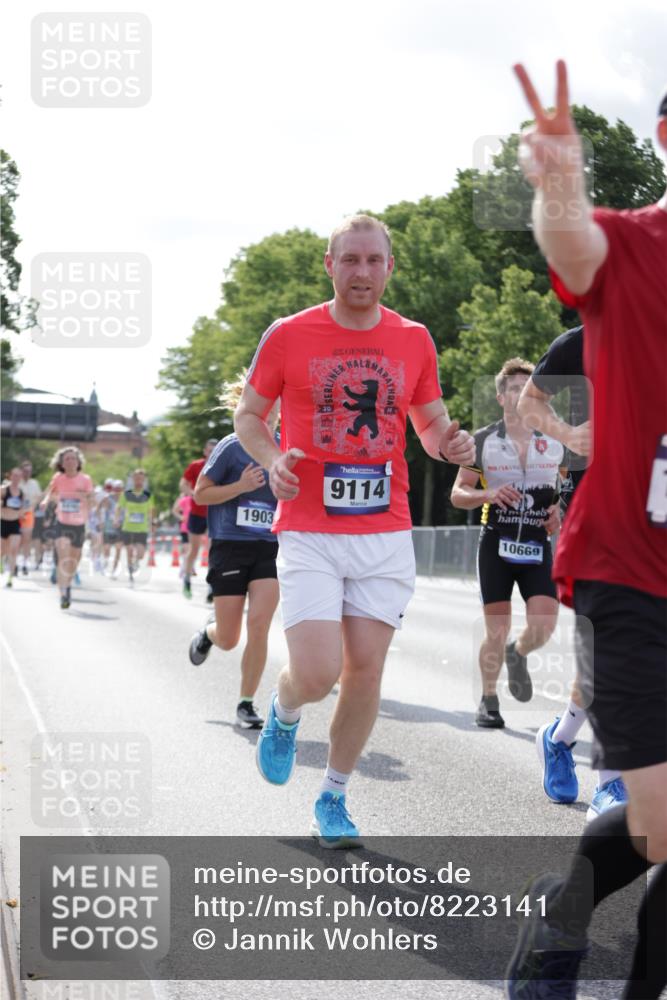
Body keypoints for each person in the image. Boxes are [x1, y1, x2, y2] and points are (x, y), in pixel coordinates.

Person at [234, 213, 475, 847]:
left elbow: (429, 424)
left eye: (373, 260)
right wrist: (273, 460)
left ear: (389, 267)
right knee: (317, 673)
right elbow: (249, 415)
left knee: (365, 670)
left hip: (384, 530)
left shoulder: (414, 339)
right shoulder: (289, 334)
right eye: (350, 259)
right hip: (309, 529)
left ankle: (334, 797)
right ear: (330, 264)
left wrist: (449, 444)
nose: (362, 271)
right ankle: (285, 710)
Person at [505, 64, 667, 1000]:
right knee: (660, 824)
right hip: (628, 570)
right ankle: (560, 919)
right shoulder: (633, 244)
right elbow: (571, 245)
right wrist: (558, 180)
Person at [517, 326, 627, 818]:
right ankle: (612, 783)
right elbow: (530, 402)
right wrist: (568, 434)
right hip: (597, 511)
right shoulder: (582, 340)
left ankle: (559, 738)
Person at [451, 357, 562, 729]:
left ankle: (519, 651)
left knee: (544, 624)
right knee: (496, 629)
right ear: (501, 397)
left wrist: (560, 510)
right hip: (496, 543)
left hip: (536, 544)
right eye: (513, 388)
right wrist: (488, 494)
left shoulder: (555, 441)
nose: (520, 394)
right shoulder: (482, 440)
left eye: (526, 388)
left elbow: (569, 488)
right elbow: (457, 493)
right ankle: (488, 700)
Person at [188, 372, 280, 728]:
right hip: (230, 545)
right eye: (267, 409)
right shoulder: (231, 446)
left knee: (259, 625)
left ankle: (246, 703)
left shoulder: (285, 448)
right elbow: (200, 494)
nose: (273, 416)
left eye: (278, 411)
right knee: (229, 638)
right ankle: (209, 633)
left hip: (269, 548)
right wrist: (240, 486)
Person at [40, 447, 94, 609]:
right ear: (62, 464)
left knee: (73, 561)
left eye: (73, 458)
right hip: (62, 523)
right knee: (63, 558)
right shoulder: (58, 478)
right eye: (67, 459)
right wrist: (45, 501)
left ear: (78, 462)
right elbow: (51, 492)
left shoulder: (85, 479)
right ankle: (63, 593)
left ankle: (67, 585)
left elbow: (92, 499)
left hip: (79, 525)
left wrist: (84, 496)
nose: (70, 461)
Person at [180, 439, 217, 598]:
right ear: (204, 451)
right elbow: (183, 484)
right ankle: (187, 580)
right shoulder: (196, 466)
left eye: (215, 450)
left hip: (214, 513)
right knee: (194, 550)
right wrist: (192, 494)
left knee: (213, 551)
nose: (211, 453)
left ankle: (212, 586)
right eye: (209, 451)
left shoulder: (223, 464)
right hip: (196, 513)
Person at [114, 469, 154, 584]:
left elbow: (151, 510)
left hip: (142, 528)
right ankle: (130, 570)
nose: (138, 481)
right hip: (128, 527)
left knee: (141, 554)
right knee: (129, 550)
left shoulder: (148, 495)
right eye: (136, 478)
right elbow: (118, 508)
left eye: (141, 479)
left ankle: (135, 562)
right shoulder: (126, 494)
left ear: (144, 480)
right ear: (133, 479)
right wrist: (116, 519)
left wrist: (152, 523)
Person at [1, 468, 27, 586]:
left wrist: (22, 513)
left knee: (14, 550)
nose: (16, 478)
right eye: (15, 475)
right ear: (10, 476)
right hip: (3, 522)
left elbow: (22, 508)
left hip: (15, 523)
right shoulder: (3, 490)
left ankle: (10, 578)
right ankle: (1, 561)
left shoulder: (21, 493)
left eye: (19, 476)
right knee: (2, 550)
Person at [18, 461, 42, 574]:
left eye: (29, 471)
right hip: (16, 514)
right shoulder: (16, 482)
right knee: (16, 539)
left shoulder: (34, 483)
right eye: (25, 471)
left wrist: (32, 505)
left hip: (28, 514)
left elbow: (39, 498)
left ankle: (24, 564)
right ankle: (14, 562)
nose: (27, 473)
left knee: (26, 540)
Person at [171, 491, 192, 570]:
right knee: (187, 548)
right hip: (185, 526)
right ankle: (186, 568)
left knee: (191, 548)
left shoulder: (197, 497)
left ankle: (188, 566)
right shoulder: (183, 498)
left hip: (194, 527)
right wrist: (181, 517)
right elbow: (174, 510)